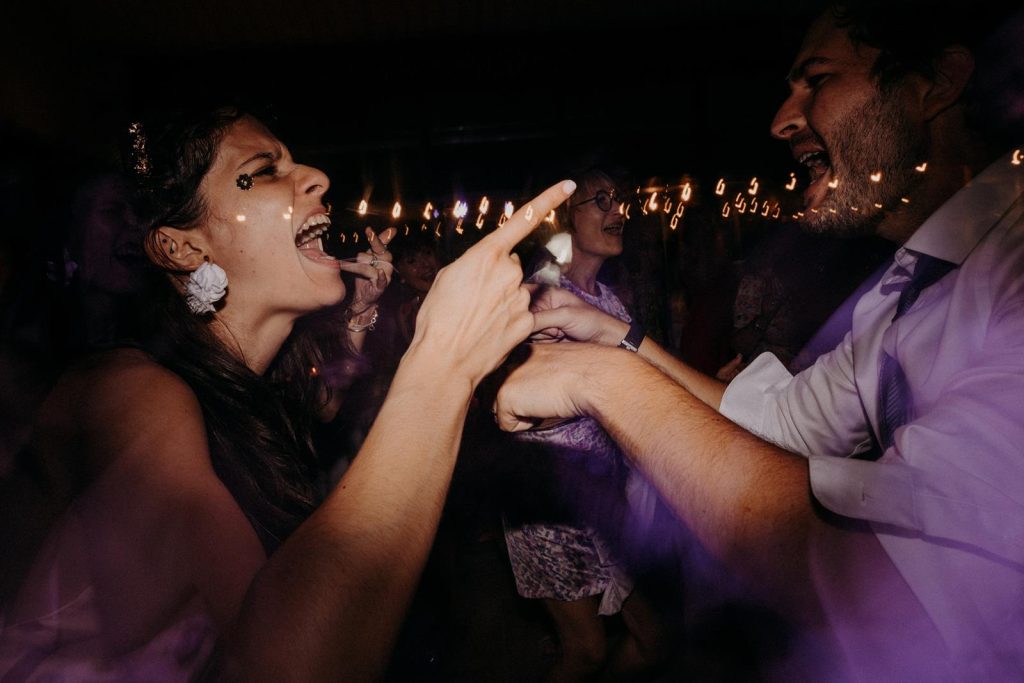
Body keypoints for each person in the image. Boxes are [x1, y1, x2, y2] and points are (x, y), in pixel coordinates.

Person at [495, 2, 1024, 678]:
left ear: (937, 84)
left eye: (817, 79)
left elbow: (883, 580)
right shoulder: (904, 291)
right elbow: (777, 421)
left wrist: (602, 377)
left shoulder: (1010, 270)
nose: (782, 119)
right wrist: (618, 338)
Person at [0, 103, 577, 680]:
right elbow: (284, 666)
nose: (317, 178)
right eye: (265, 170)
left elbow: (329, 413)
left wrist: (359, 323)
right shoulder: (130, 395)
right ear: (182, 248)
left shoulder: (258, 385)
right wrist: (446, 360)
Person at [502, 167, 666, 681]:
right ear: (565, 217)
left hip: (609, 499)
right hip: (550, 499)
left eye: (621, 200)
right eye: (602, 201)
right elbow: (513, 403)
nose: (619, 212)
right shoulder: (540, 295)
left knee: (655, 641)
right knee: (586, 651)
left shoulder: (610, 300)